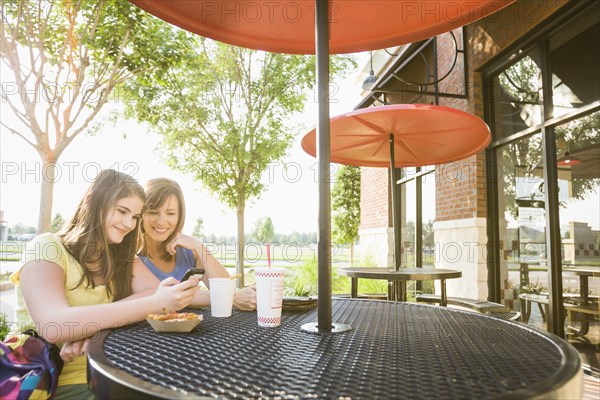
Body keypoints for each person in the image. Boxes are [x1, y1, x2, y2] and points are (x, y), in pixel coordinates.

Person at [10, 169, 200, 399]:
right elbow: (53, 325)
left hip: (119, 372)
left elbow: (154, 290)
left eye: (135, 216)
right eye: (122, 211)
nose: (129, 223)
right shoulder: (46, 247)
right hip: (56, 382)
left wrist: (93, 328)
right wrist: (154, 304)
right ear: (91, 201)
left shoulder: (120, 256)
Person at [137, 178, 256, 310]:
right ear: (140, 214)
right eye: (153, 212)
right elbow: (169, 296)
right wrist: (230, 298)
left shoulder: (189, 252)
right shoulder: (133, 257)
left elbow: (227, 287)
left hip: (193, 328)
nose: (161, 221)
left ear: (179, 216)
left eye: (170, 213)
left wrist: (199, 246)